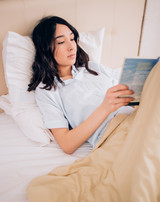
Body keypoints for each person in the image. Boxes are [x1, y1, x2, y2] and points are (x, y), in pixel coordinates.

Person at [28, 16, 135, 154]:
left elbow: (130, 91)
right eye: (61, 42)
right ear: (46, 49)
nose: (71, 46)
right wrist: (105, 108)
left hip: (137, 118)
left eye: (72, 39)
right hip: (115, 136)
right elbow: (67, 144)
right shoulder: (47, 90)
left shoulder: (93, 67)